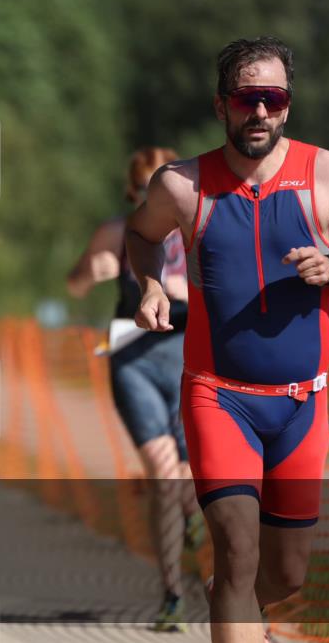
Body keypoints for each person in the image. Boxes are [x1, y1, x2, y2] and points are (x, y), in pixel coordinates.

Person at [125, 37, 329, 643]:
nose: (261, 112)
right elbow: (142, 237)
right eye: (247, 99)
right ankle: (233, 597)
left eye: (273, 99)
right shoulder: (181, 185)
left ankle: (237, 603)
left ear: (287, 106)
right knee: (238, 551)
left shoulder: (328, 174)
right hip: (219, 397)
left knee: (285, 574)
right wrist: (149, 286)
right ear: (222, 105)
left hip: (304, 404)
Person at [68, 146, 204, 632]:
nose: (160, 195)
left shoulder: (197, 226)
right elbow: (76, 283)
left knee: (187, 479)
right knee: (164, 475)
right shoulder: (117, 231)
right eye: (149, 187)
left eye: (168, 186)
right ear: (134, 191)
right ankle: (171, 594)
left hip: (191, 357)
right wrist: (94, 270)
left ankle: (195, 534)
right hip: (134, 357)